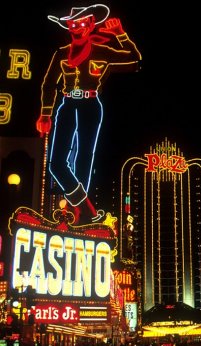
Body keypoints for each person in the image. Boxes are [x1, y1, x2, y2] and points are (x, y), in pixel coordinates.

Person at [36, 4, 141, 224]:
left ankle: (80, 215)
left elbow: (135, 60)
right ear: (69, 27)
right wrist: (45, 114)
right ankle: (87, 209)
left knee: (84, 158)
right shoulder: (62, 53)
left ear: (91, 25)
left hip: (91, 105)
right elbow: (48, 84)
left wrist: (120, 34)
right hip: (66, 104)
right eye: (74, 23)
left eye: (83, 23)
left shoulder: (101, 51)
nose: (78, 27)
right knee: (56, 163)